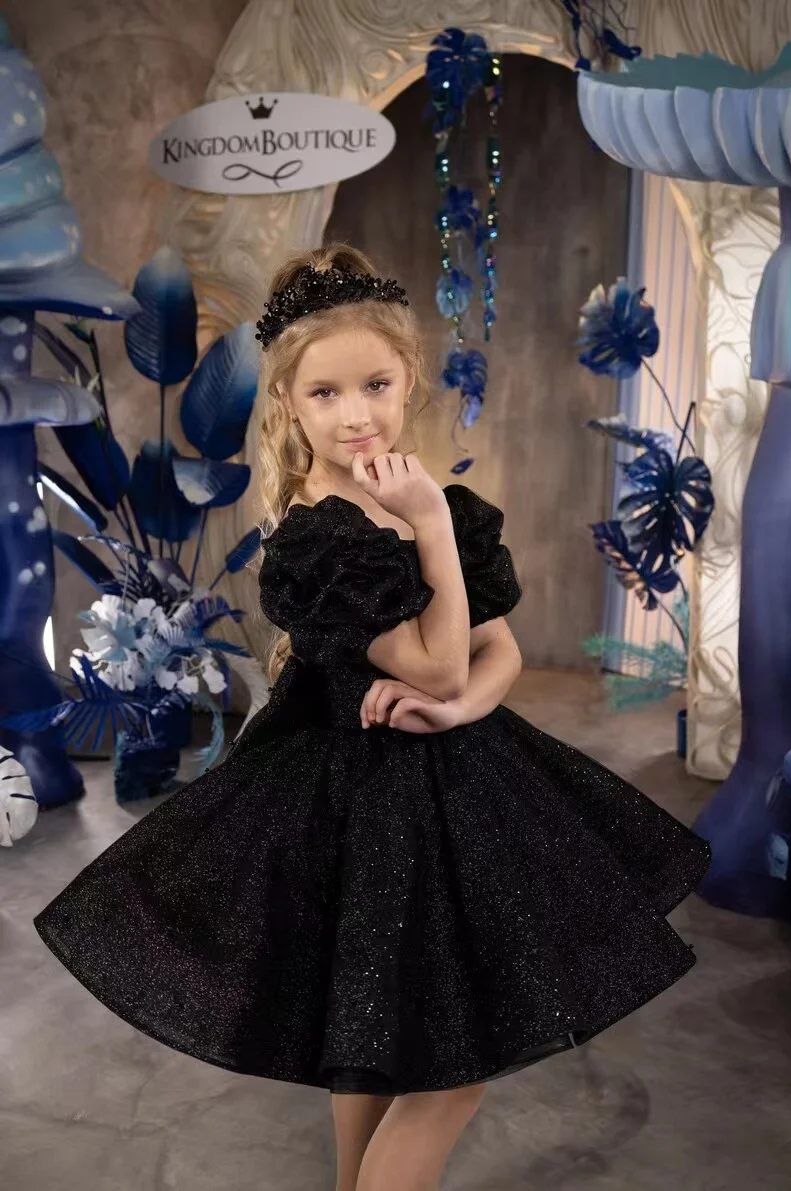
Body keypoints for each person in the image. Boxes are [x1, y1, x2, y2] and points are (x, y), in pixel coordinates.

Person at [33, 243, 712, 1191]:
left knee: (376, 1045)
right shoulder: (319, 534)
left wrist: (466, 703)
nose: (355, 415)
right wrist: (429, 535)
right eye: (324, 395)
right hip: (355, 794)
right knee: (445, 1074)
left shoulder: (436, 501)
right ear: (287, 404)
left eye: (376, 384)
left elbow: (494, 650)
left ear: (408, 380)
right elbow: (435, 659)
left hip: (451, 777)